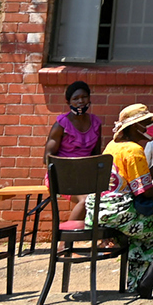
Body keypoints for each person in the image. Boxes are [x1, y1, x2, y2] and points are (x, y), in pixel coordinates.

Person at [84, 104, 153, 274]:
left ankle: (144, 269)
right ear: (135, 126)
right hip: (120, 213)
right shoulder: (134, 149)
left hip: (100, 209)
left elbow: (143, 179)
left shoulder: (112, 145)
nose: (149, 128)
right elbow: (147, 191)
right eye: (145, 123)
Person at [44, 81, 102, 224]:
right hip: (62, 176)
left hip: (86, 176)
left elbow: (96, 154)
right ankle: (64, 242)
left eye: (84, 97)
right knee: (87, 200)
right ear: (68, 102)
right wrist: (66, 170)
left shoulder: (96, 123)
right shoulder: (61, 125)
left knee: (108, 199)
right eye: (75, 99)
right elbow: (47, 157)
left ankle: (104, 240)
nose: (80, 101)